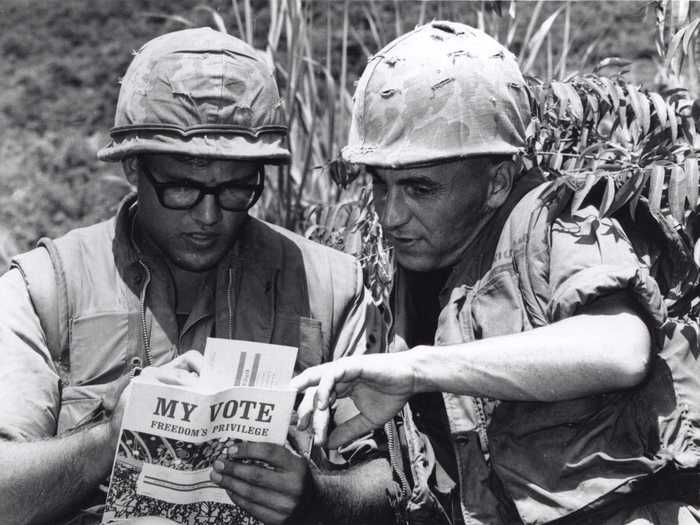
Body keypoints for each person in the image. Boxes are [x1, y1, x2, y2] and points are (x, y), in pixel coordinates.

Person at [293, 21, 700, 525]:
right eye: (379, 184)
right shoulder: (412, 278)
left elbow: (621, 349)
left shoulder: (556, 220)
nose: (390, 214)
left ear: (496, 181)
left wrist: (418, 368)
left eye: (420, 189)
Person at [0, 28, 394, 525]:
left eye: (235, 189)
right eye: (183, 188)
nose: (209, 216)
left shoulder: (329, 287)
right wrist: (105, 442)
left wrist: (317, 497)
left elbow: (394, 483)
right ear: (133, 168)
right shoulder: (45, 288)